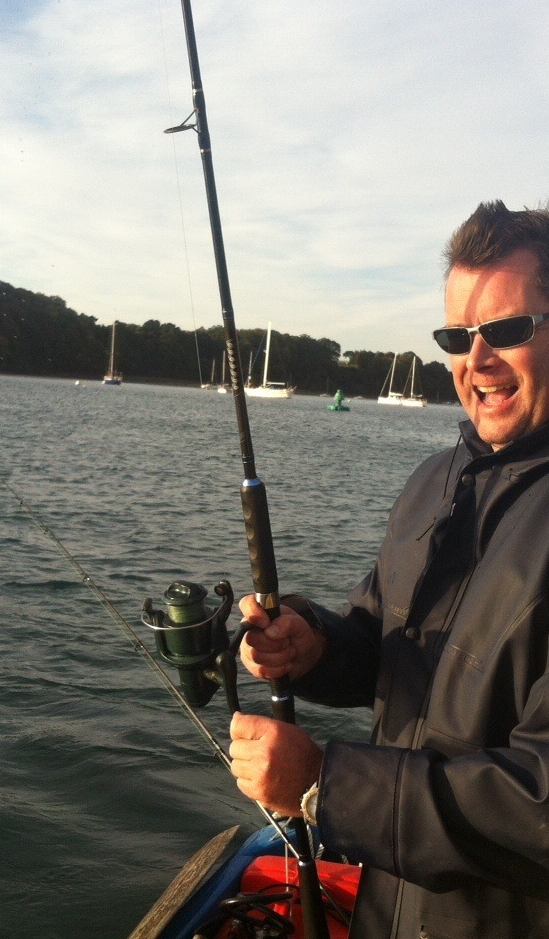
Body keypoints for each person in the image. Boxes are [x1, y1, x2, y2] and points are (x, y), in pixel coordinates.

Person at [230, 200, 549, 938]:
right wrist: (310, 645)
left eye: (506, 331)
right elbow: (382, 644)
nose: (476, 360)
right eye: (457, 337)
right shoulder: (434, 482)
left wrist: (325, 786)